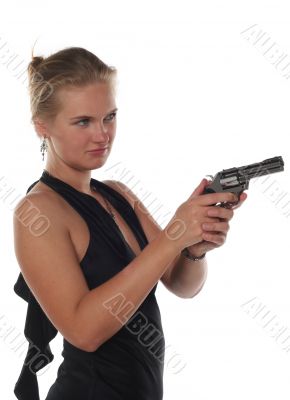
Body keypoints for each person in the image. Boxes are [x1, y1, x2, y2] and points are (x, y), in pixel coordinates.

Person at [12, 46, 247, 400]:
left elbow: (182, 285)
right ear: (42, 127)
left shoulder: (119, 194)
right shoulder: (38, 212)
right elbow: (83, 331)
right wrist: (173, 238)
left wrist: (195, 248)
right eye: (83, 122)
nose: (102, 135)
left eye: (110, 117)